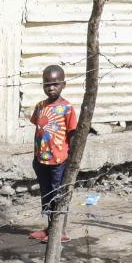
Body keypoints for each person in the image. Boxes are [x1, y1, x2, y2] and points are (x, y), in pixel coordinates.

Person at [28, 63, 78, 241]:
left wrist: (72, 160)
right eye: (47, 84)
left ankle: (60, 232)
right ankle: (50, 228)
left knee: (59, 194)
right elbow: (40, 129)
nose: (51, 88)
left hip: (59, 161)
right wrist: (36, 155)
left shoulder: (67, 108)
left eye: (55, 84)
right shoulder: (40, 106)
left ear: (63, 84)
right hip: (41, 160)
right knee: (46, 194)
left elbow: (72, 134)